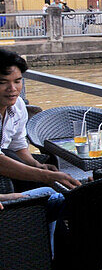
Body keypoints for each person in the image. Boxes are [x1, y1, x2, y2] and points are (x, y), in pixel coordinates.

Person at [0, 49, 79, 193]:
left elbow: (17, 145)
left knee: (54, 173)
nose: (12, 89)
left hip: (7, 163)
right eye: (3, 83)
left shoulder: (17, 106)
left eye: (17, 81)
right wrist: (45, 176)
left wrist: (37, 165)